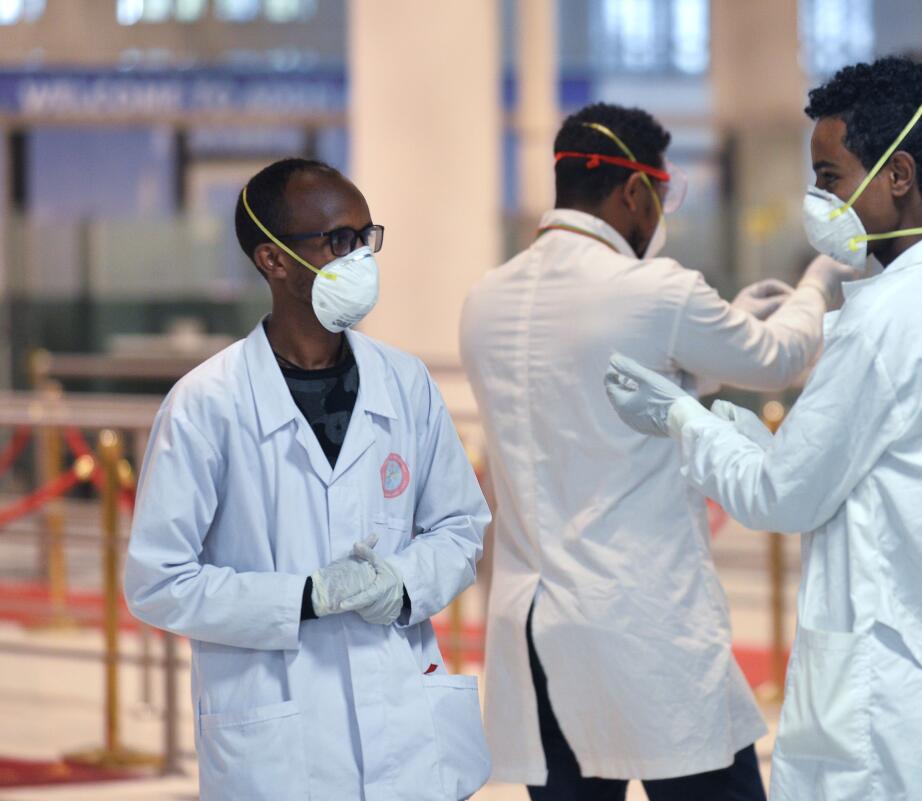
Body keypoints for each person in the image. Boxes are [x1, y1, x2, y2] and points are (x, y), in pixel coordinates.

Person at [607, 56, 922, 801]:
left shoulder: (884, 323)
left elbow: (782, 494)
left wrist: (679, 417)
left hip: (882, 697)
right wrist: (726, 424)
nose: (818, 201)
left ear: (898, 174)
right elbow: (850, 469)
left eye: (830, 176)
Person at [460, 102, 855, 800]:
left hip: (532, 627)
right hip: (643, 623)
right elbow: (778, 359)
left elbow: (606, 387)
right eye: (663, 195)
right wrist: (815, 286)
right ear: (634, 191)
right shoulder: (654, 288)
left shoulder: (485, 299)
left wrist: (725, 322)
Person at [124, 158, 491, 801]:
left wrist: (402, 584)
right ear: (273, 260)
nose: (360, 258)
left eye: (365, 237)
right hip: (277, 742)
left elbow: (461, 527)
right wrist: (302, 598)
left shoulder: (404, 384)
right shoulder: (207, 404)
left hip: (402, 731)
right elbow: (158, 581)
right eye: (338, 241)